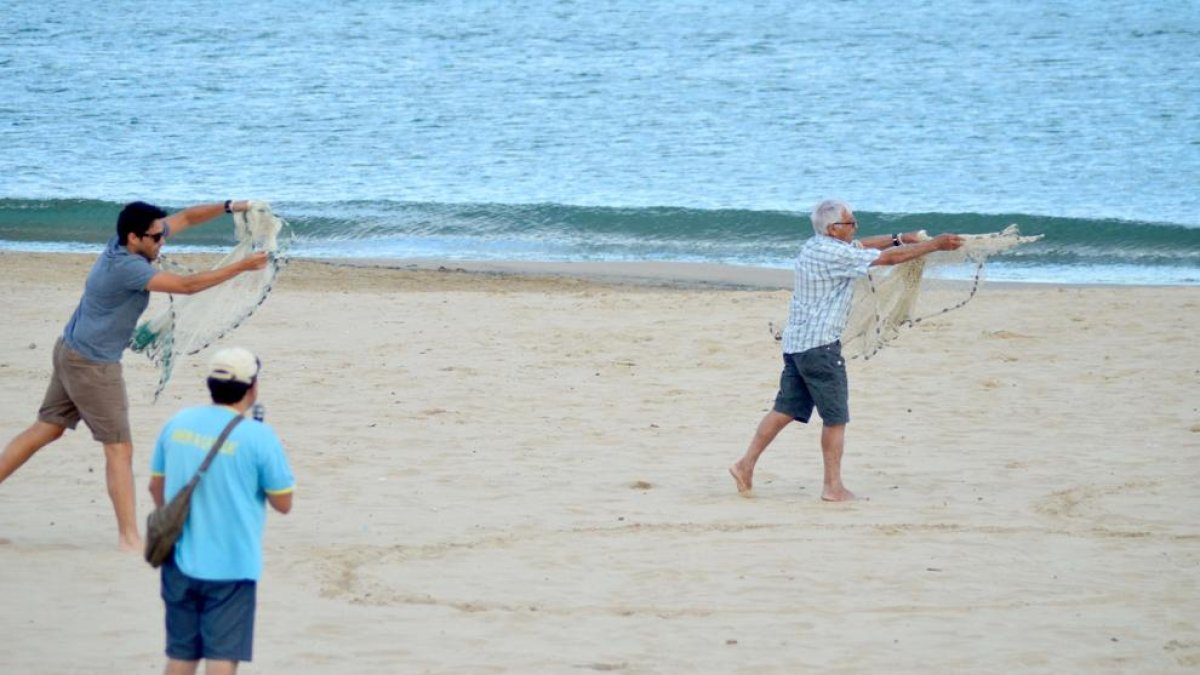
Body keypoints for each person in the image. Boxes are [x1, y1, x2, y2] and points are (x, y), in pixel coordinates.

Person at [0, 199, 269, 551]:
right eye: (156, 238)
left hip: (70, 349)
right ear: (133, 237)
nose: (162, 243)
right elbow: (186, 287)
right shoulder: (128, 268)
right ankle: (129, 539)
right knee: (119, 448)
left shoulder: (128, 242)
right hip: (92, 366)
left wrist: (230, 206)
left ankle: (128, 537)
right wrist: (242, 267)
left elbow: (187, 217)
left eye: (162, 235)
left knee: (45, 429)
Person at [729, 199, 964, 501]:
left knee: (785, 409)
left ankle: (744, 464)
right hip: (820, 348)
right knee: (835, 418)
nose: (856, 227)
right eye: (851, 223)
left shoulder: (816, 245)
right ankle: (833, 487)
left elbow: (862, 246)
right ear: (833, 229)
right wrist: (935, 245)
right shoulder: (834, 254)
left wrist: (900, 237)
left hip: (797, 346)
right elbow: (888, 260)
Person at [150, 346, 294, 675]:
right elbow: (283, 502)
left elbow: (156, 489)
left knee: (181, 654)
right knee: (222, 657)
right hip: (232, 564)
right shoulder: (258, 437)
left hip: (179, 558)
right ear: (252, 387)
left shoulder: (177, 423)